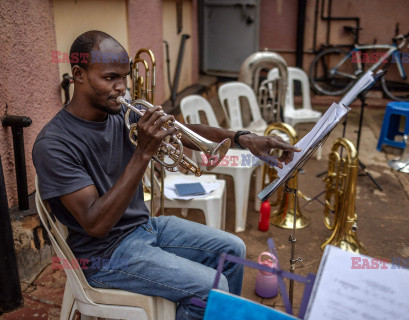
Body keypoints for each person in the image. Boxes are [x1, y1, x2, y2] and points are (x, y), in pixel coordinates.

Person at [32, 30, 299, 320]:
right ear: (78, 75)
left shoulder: (118, 113)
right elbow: (96, 224)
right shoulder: (54, 144)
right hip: (103, 256)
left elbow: (182, 129)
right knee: (212, 287)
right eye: (110, 78)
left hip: (142, 228)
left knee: (232, 250)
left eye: (125, 77)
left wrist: (242, 138)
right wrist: (143, 153)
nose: (121, 87)